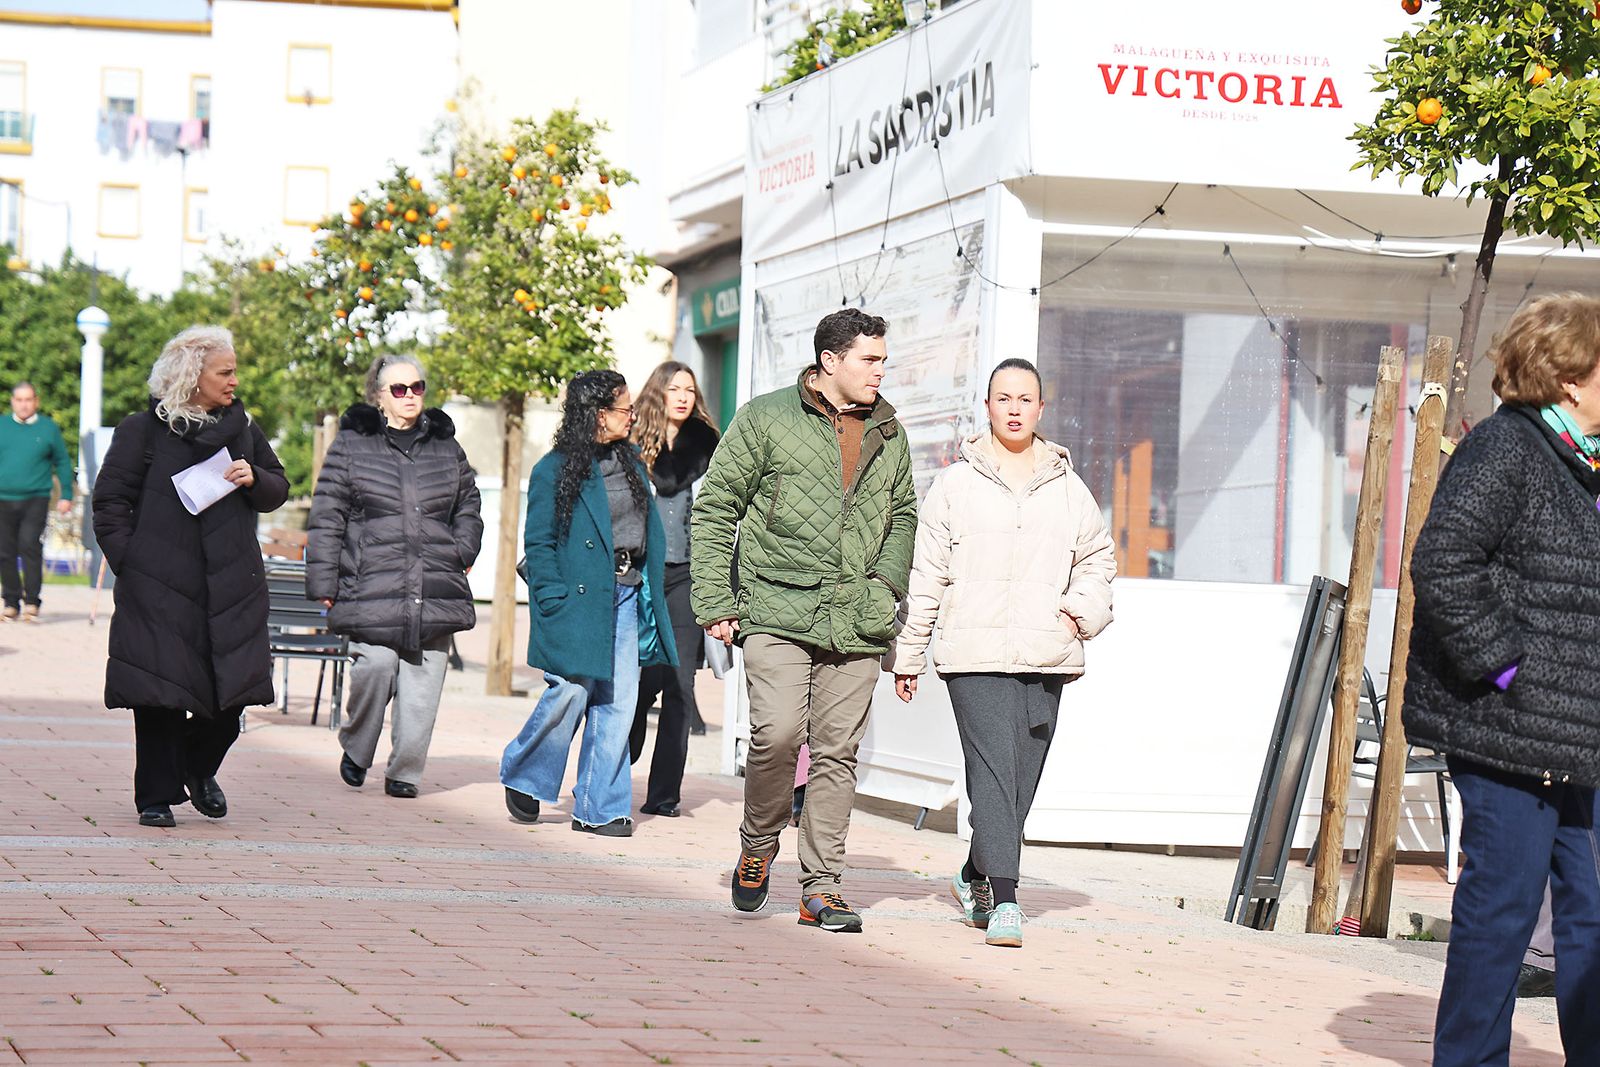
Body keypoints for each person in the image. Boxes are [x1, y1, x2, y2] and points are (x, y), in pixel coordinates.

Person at [1405, 292, 1600, 1066]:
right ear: (1570, 378)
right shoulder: (1506, 448)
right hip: (1509, 730)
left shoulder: (1581, 463)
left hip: (1575, 733)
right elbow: (1443, 560)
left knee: (1589, 916)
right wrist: (1507, 666)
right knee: (1503, 910)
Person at [691, 307, 917, 932]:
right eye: (870, 359)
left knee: (837, 753)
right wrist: (716, 601)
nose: (880, 370)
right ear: (830, 362)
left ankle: (822, 887)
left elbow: (903, 515)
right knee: (779, 735)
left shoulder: (889, 431)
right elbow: (716, 508)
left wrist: (884, 584)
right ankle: (758, 845)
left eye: (882, 359)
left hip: (858, 618)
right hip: (775, 608)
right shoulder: (765, 418)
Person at [888, 358, 1116, 948]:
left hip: (1046, 652)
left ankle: (974, 871)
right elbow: (927, 573)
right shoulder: (955, 486)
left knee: (1022, 779)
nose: (1013, 408)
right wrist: (909, 653)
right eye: (1002, 398)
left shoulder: (1068, 487)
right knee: (992, 771)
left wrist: (1078, 612)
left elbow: (1098, 561)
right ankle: (1007, 899)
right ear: (986, 407)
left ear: (1041, 409)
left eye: (1025, 399)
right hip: (975, 654)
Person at [92, 326, 288, 827]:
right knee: (159, 693)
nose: (234, 381)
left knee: (232, 697)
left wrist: (256, 478)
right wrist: (130, 562)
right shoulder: (142, 431)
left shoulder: (244, 429)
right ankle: (155, 798)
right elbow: (110, 502)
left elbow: (277, 487)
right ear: (192, 376)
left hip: (231, 586)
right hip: (156, 583)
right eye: (225, 372)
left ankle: (197, 769)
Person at [501, 369, 677, 837]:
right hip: (577, 600)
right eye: (624, 408)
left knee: (619, 702)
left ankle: (600, 806)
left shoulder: (632, 463)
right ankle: (524, 771)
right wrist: (551, 598)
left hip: (626, 592)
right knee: (571, 692)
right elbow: (538, 544)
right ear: (599, 415)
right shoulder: (553, 470)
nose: (632, 415)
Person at [306, 354, 483, 800]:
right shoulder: (351, 446)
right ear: (379, 396)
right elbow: (328, 516)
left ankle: (405, 771)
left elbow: (469, 505)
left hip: (434, 581)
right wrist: (324, 583)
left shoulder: (447, 447)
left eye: (417, 387)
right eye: (399, 389)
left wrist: (461, 549)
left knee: (424, 681)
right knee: (376, 667)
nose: (410, 396)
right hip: (371, 582)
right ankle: (358, 746)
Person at [627, 361, 720, 817]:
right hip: (640, 575)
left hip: (686, 575)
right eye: (674, 388)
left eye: (690, 389)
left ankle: (664, 793)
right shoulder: (630, 444)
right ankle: (627, 739)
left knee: (681, 684)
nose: (683, 396)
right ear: (657, 394)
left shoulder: (709, 448)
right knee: (644, 679)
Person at [0, 382, 74, 622]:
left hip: (36, 496)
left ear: (36, 401)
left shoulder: (48, 428)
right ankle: (11, 602)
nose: (24, 404)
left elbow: (63, 462)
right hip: (3, 497)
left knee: (29, 544)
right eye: (19, 400)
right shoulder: (2, 426)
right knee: (4, 551)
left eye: (28, 399)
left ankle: (32, 602)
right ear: (12, 402)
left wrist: (66, 495)